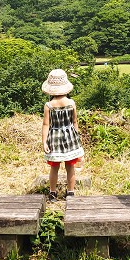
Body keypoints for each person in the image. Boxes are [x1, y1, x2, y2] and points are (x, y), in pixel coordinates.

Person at [41, 68, 85, 201]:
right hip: (70, 138)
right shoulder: (71, 103)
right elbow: (75, 122)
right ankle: (70, 192)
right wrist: (77, 139)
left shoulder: (49, 105)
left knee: (54, 167)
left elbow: (46, 125)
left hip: (54, 139)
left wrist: (44, 142)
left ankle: (53, 193)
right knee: (70, 166)